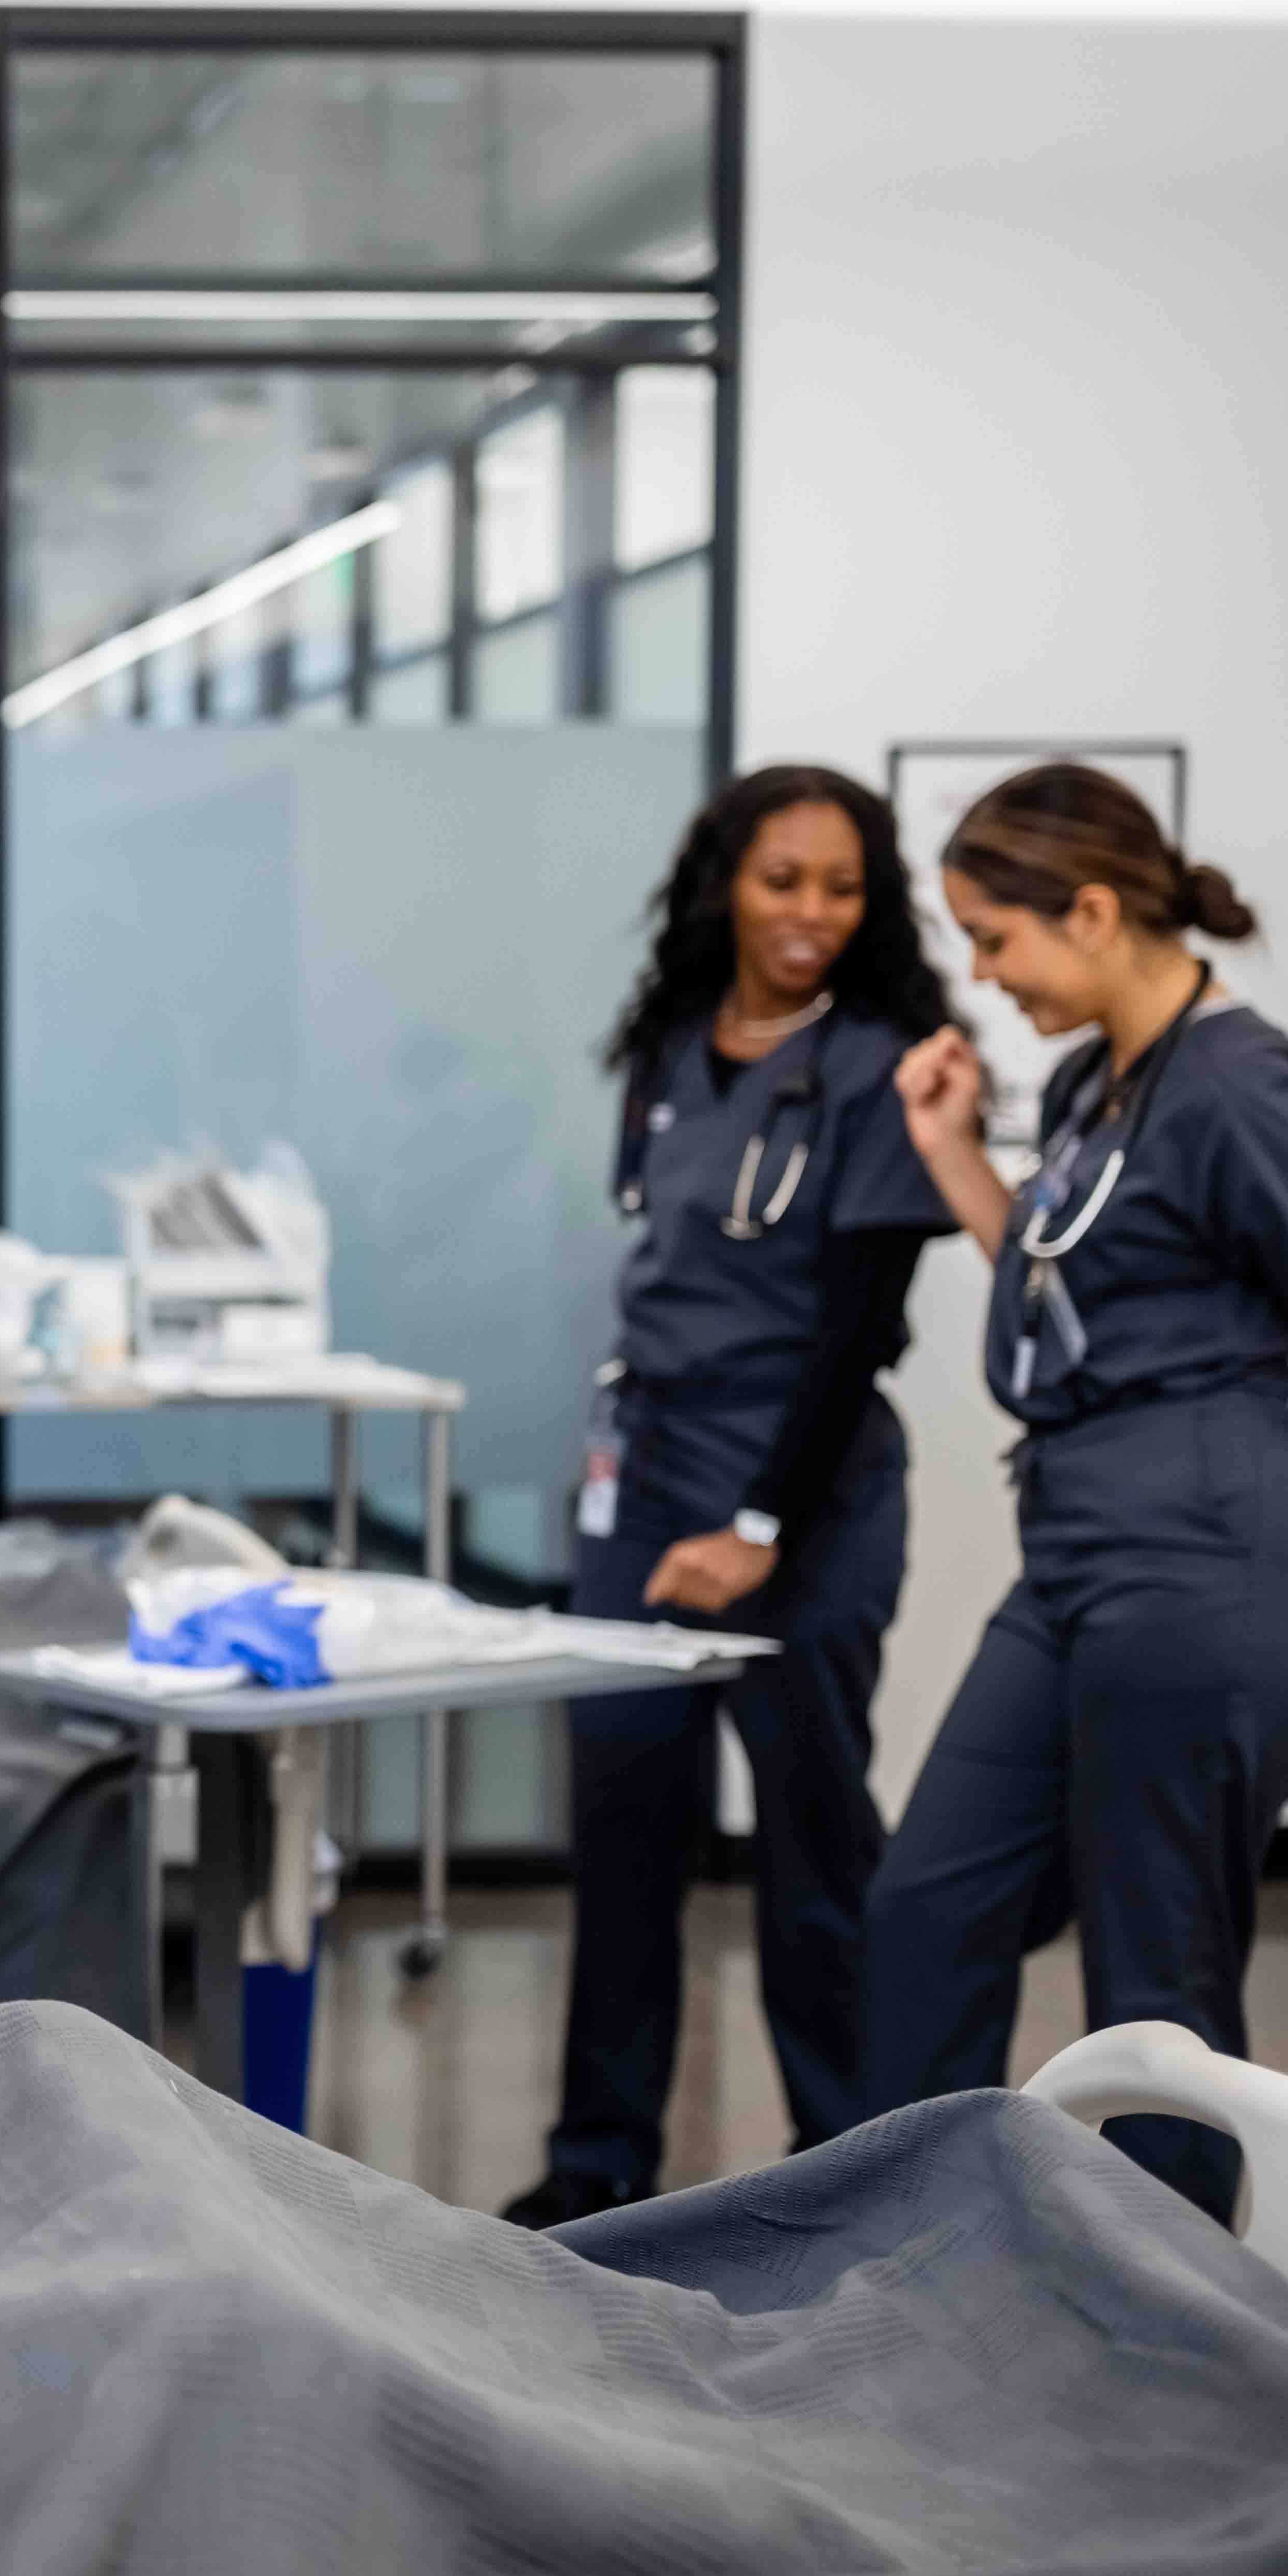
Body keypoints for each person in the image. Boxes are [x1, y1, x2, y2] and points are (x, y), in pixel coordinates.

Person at [868, 764, 1288, 2222]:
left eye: (996, 938)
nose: (984, 975)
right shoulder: (1090, 1078)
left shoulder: (1243, 1089)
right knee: (929, 1909)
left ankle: (1173, 2354)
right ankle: (922, 2263)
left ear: (1095, 911)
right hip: (1086, 1543)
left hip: (1216, 1538)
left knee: (1155, 1992)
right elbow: (1078, 1296)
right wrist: (951, 1161)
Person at [502, 767, 962, 2232]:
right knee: (624, 1825)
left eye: (842, 887)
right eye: (783, 882)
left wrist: (758, 1526)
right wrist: (661, 1507)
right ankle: (599, 2162)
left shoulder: (888, 1066)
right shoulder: (672, 1047)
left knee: (814, 1848)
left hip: (803, 1482)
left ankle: (859, 2174)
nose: (811, 915)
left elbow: (858, 1327)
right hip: (648, 1468)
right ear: (725, 885)